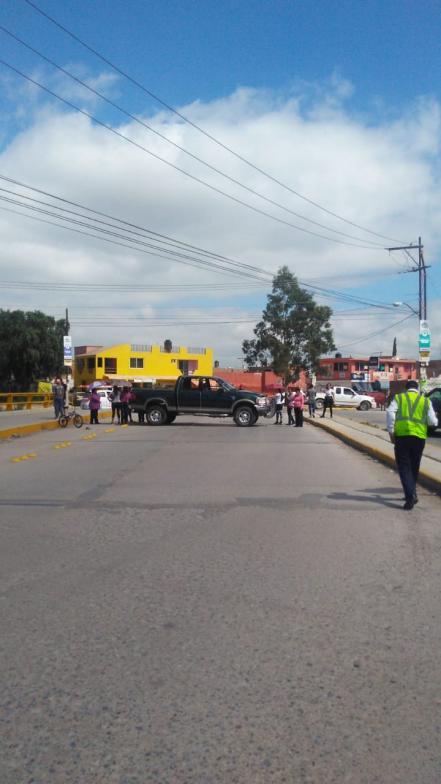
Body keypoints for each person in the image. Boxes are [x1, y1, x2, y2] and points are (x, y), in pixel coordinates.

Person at [387, 379, 437, 510]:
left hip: (402, 436)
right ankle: (412, 493)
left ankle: (410, 497)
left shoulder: (399, 398)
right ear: (417, 389)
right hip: (419, 438)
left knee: (404, 467)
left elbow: (390, 413)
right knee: (414, 467)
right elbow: (433, 422)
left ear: (406, 388)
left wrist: (391, 431)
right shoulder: (426, 401)